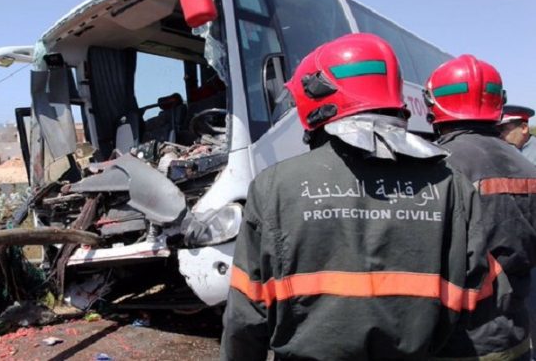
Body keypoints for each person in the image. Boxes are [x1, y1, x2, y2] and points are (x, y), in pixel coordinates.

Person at [220, 34, 498, 360]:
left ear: (314, 98)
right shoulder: (452, 185)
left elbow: (245, 319)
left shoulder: (274, 186)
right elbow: (480, 310)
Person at [424, 55, 536, 360]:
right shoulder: (527, 167)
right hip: (514, 336)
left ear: (435, 103)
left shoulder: (433, 166)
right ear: (498, 103)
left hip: (455, 343)